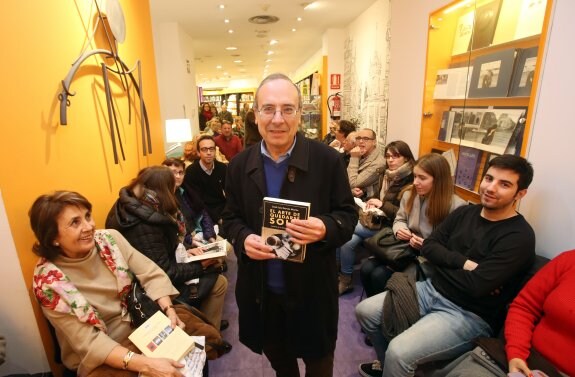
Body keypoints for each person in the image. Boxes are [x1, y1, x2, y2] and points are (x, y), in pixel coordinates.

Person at [222, 73, 358, 377]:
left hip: (312, 294)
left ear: (300, 113)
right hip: (262, 296)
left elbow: (348, 216)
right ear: (255, 115)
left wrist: (325, 227)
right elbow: (229, 219)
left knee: (319, 365)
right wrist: (243, 238)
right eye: (268, 109)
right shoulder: (238, 166)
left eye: (287, 109)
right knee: (281, 364)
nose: (278, 119)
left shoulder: (327, 161)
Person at [355, 154, 536, 377]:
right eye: (489, 179)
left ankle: (395, 366)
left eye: (504, 184)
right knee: (364, 311)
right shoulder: (465, 213)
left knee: (399, 352)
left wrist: (443, 261)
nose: (491, 187)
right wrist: (465, 263)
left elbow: (476, 286)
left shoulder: (519, 236)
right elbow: (430, 246)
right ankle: (387, 369)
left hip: (467, 313)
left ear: (520, 193)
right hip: (431, 288)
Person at [29, 191, 194, 376]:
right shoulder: (48, 283)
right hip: (102, 356)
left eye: (88, 216)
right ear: (53, 237)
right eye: (75, 222)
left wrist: (168, 310)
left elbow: (151, 273)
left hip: (142, 326)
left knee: (195, 353)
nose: (89, 226)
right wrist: (146, 364)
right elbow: (91, 343)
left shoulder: (109, 239)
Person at [105, 166, 228, 332]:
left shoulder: (131, 204)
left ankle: (204, 323)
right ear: (164, 189)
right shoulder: (144, 224)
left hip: (152, 272)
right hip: (148, 288)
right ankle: (208, 333)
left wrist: (186, 252)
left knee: (214, 266)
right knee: (219, 281)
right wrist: (201, 266)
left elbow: (160, 251)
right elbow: (165, 272)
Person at [443, 249, 575, 377]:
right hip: (523, 357)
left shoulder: (520, 236)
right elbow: (524, 307)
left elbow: (479, 284)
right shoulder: (569, 260)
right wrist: (517, 352)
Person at [360, 153, 466, 297]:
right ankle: (376, 310)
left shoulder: (457, 206)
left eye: (422, 178)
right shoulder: (409, 194)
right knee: (366, 268)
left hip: (429, 258)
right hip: (406, 248)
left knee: (380, 275)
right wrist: (399, 230)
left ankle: (389, 313)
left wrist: (427, 245)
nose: (415, 182)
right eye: (415, 176)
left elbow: (455, 247)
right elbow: (400, 219)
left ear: (439, 180)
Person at [337, 140, 415, 295]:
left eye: (396, 156)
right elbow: (379, 197)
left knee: (345, 229)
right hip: (377, 221)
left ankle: (342, 276)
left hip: (392, 227)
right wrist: (368, 198)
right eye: (388, 156)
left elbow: (406, 214)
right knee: (348, 240)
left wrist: (381, 205)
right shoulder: (385, 174)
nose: (390, 160)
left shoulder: (412, 180)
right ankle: (344, 278)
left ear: (406, 158)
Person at [183, 135, 228, 231]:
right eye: (204, 149)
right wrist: (218, 219)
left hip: (223, 210)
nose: (209, 153)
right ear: (198, 152)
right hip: (203, 213)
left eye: (211, 149)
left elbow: (230, 194)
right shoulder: (191, 172)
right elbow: (197, 203)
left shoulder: (222, 168)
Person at [348, 128, 386, 200]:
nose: (361, 141)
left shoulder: (379, 162)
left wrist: (354, 158)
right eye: (358, 138)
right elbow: (346, 179)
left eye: (366, 138)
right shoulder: (360, 154)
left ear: (374, 142)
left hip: (367, 204)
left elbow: (353, 183)